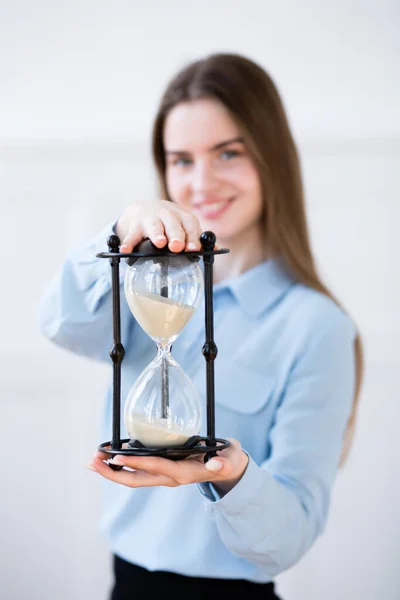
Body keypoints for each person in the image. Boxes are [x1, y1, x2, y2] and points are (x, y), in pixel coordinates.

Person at [39, 52, 363, 598]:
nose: (201, 182)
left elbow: (294, 533)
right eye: (181, 160)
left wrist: (230, 477)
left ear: (271, 158)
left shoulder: (316, 326)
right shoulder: (150, 285)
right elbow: (59, 323)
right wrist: (118, 234)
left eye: (228, 153)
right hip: (124, 581)